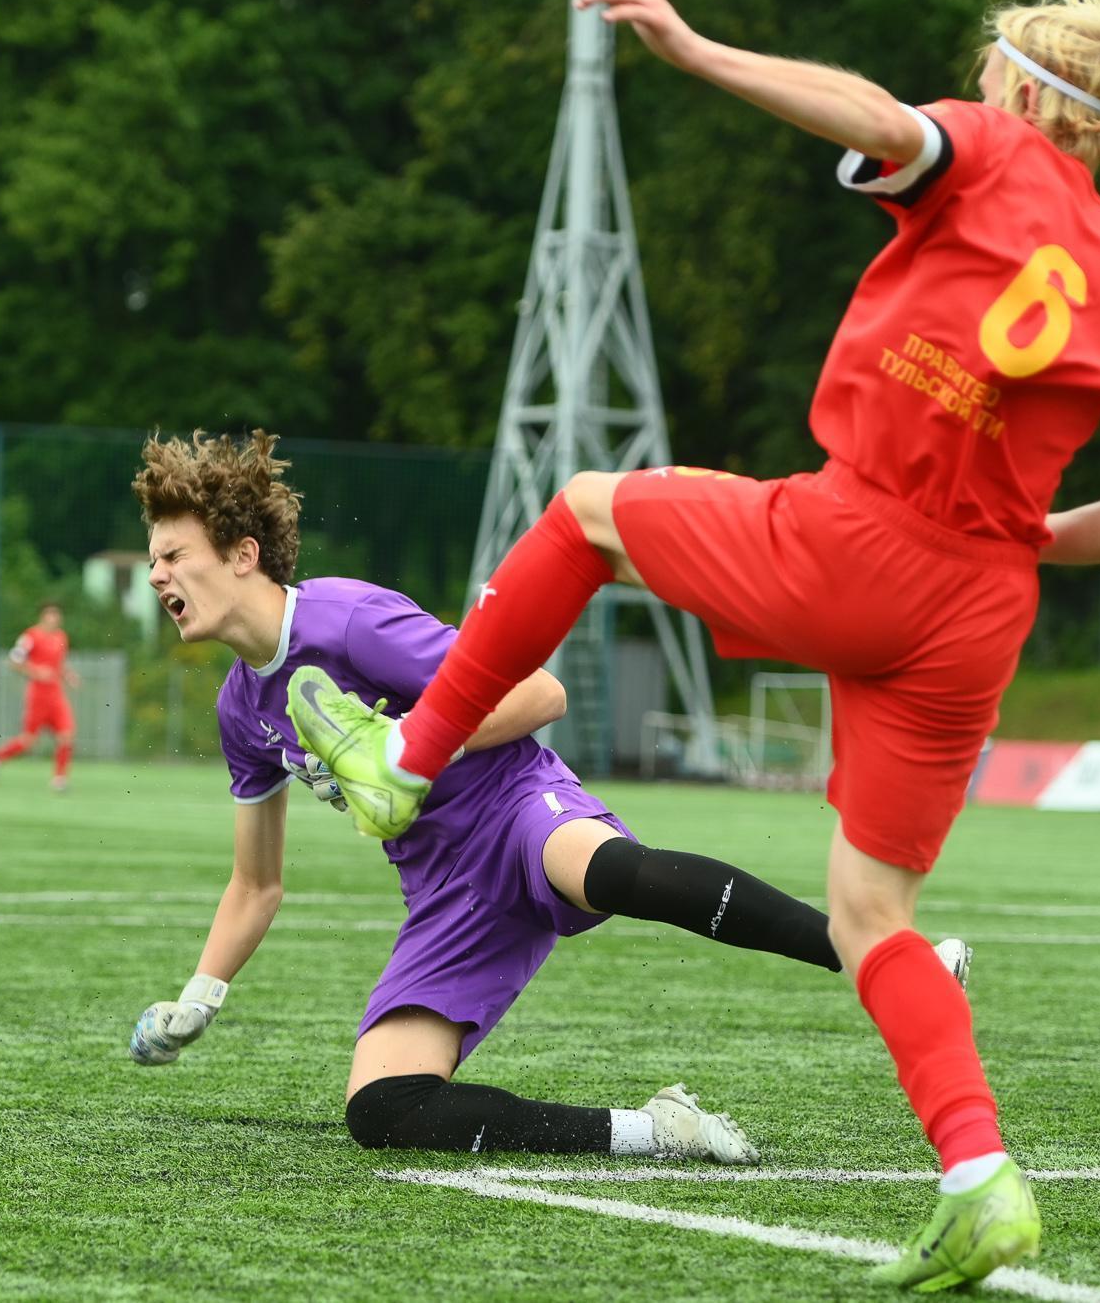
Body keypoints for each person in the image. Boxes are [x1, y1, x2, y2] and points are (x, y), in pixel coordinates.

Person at [290, 0, 1100, 1288]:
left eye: (987, 72)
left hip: (861, 535)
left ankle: (405, 760)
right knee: (874, 915)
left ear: (1016, 84)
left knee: (586, 510)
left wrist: (691, 45)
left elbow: (877, 119)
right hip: (978, 609)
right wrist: (1003, 536)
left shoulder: (988, 145)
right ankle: (979, 1180)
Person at [123, 430, 971, 1162]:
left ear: (242, 553)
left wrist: (408, 747)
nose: (157, 574)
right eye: (154, 558)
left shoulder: (346, 620)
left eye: (172, 554)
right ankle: (658, 1130)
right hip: (443, 889)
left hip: (514, 804)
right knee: (384, 1109)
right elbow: (256, 883)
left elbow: (540, 691)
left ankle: (896, 962)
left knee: (611, 871)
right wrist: (200, 996)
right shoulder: (240, 710)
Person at [0, 602, 80, 792]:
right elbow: (14, 660)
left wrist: (68, 675)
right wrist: (35, 671)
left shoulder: (61, 637)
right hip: (38, 695)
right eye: (50, 615)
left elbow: (58, 665)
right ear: (42, 617)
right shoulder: (31, 636)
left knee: (67, 735)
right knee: (28, 741)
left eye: (56, 615)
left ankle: (59, 779)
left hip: (56, 694)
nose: (54, 619)